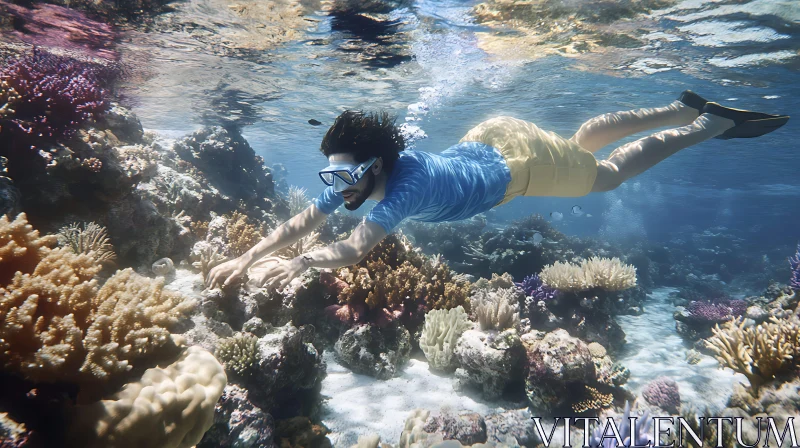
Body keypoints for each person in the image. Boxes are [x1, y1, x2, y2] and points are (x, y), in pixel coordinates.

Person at [206, 90, 789, 290]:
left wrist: (299, 265)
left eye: (345, 176)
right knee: (581, 144)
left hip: (521, 164)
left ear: (378, 166)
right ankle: (676, 106)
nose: (339, 189)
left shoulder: (401, 188)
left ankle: (706, 126)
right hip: (489, 134)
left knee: (605, 175)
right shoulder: (365, 175)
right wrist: (250, 254)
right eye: (333, 176)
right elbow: (309, 217)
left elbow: (352, 248)